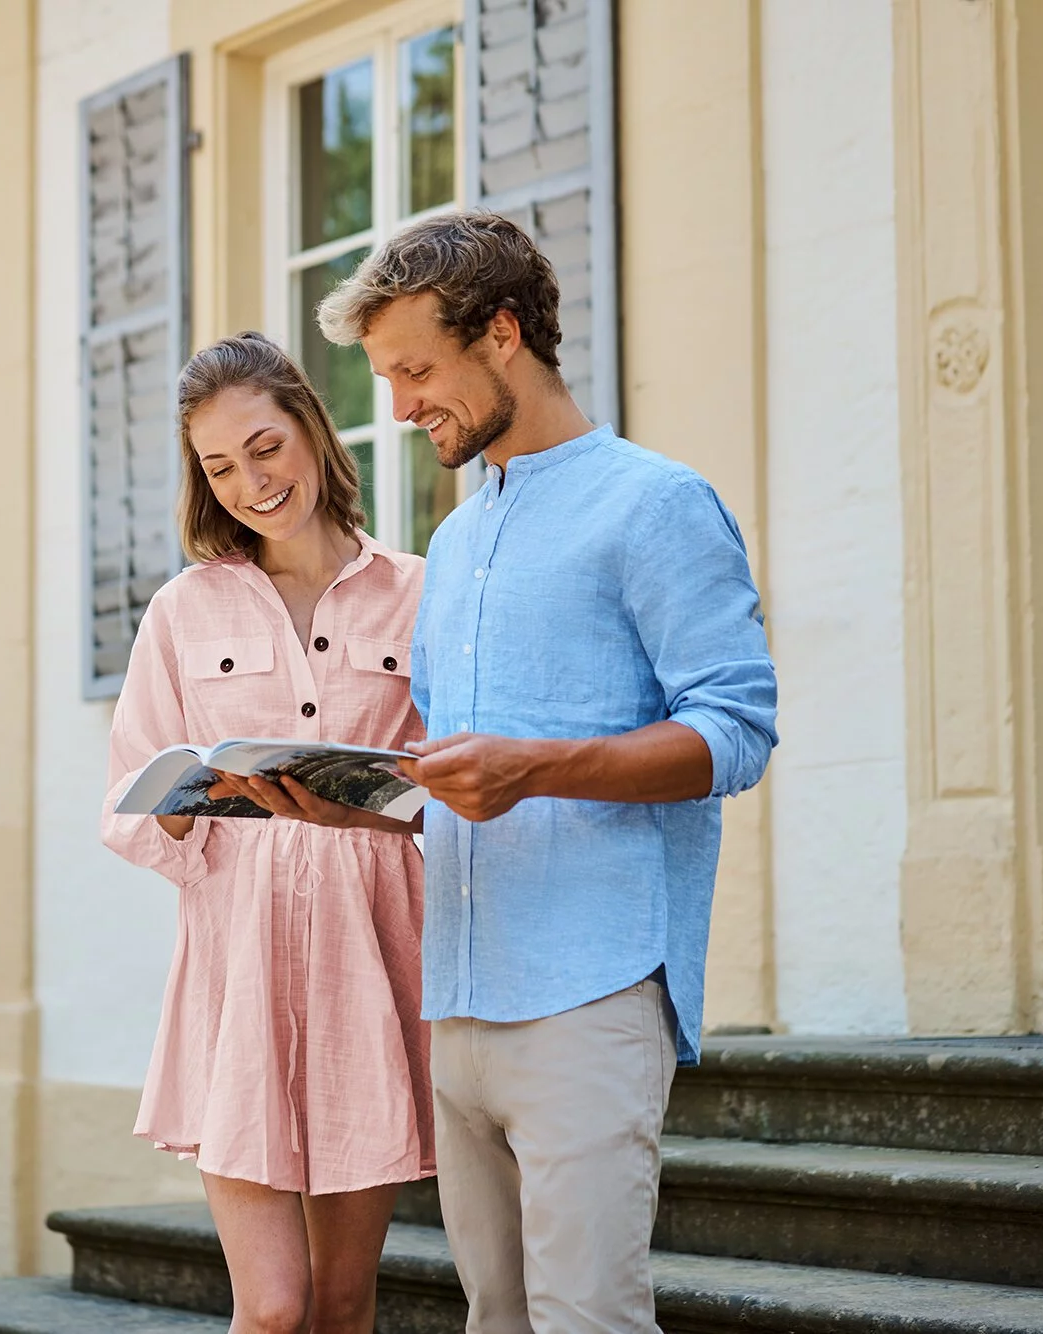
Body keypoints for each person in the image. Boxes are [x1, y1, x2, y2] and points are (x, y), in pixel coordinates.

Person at [315, 212, 779, 1333]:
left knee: (588, 1320)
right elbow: (452, 775)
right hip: (459, 992)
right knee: (497, 1321)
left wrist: (537, 766)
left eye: (417, 368)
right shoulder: (462, 539)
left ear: (505, 333)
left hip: (591, 985)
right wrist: (344, 800)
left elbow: (734, 733)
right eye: (384, 376)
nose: (399, 403)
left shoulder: (656, 503)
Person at [99, 332, 435, 1334]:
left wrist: (385, 796)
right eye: (219, 466)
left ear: (310, 432)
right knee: (275, 1305)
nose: (249, 481)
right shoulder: (181, 611)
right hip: (234, 970)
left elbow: (452, 786)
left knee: (340, 1300)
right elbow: (128, 792)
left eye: (264, 447)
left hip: (365, 965)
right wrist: (173, 801)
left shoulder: (419, 592)